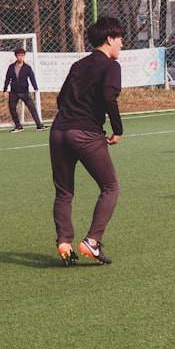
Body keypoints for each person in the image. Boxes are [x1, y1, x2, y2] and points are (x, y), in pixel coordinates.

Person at [50, 16, 127, 265]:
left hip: (58, 131)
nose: (122, 45)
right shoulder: (111, 66)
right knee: (110, 187)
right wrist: (117, 129)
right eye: (120, 39)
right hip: (85, 134)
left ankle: (64, 242)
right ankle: (92, 242)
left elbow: (61, 100)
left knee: (64, 193)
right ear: (109, 39)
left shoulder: (79, 65)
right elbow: (108, 96)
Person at [3, 47, 46, 132]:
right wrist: (5, 90)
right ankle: (18, 126)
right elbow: (7, 78)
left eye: (22, 55)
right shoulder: (11, 67)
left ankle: (39, 125)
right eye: (19, 55)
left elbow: (32, 77)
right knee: (12, 108)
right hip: (14, 92)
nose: (20, 57)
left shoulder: (27, 67)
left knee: (32, 108)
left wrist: (35, 87)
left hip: (24, 92)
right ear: (16, 56)